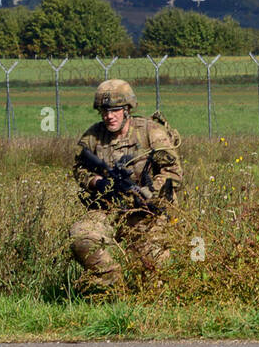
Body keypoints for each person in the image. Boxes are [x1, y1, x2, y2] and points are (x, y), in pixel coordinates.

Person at [70, 79, 182, 294]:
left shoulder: (151, 132)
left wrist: (151, 193)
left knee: (156, 276)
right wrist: (97, 182)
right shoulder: (94, 136)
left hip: (146, 213)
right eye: (104, 111)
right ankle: (112, 288)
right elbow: (80, 168)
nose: (109, 116)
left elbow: (173, 172)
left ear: (127, 110)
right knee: (82, 237)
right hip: (108, 209)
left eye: (115, 110)